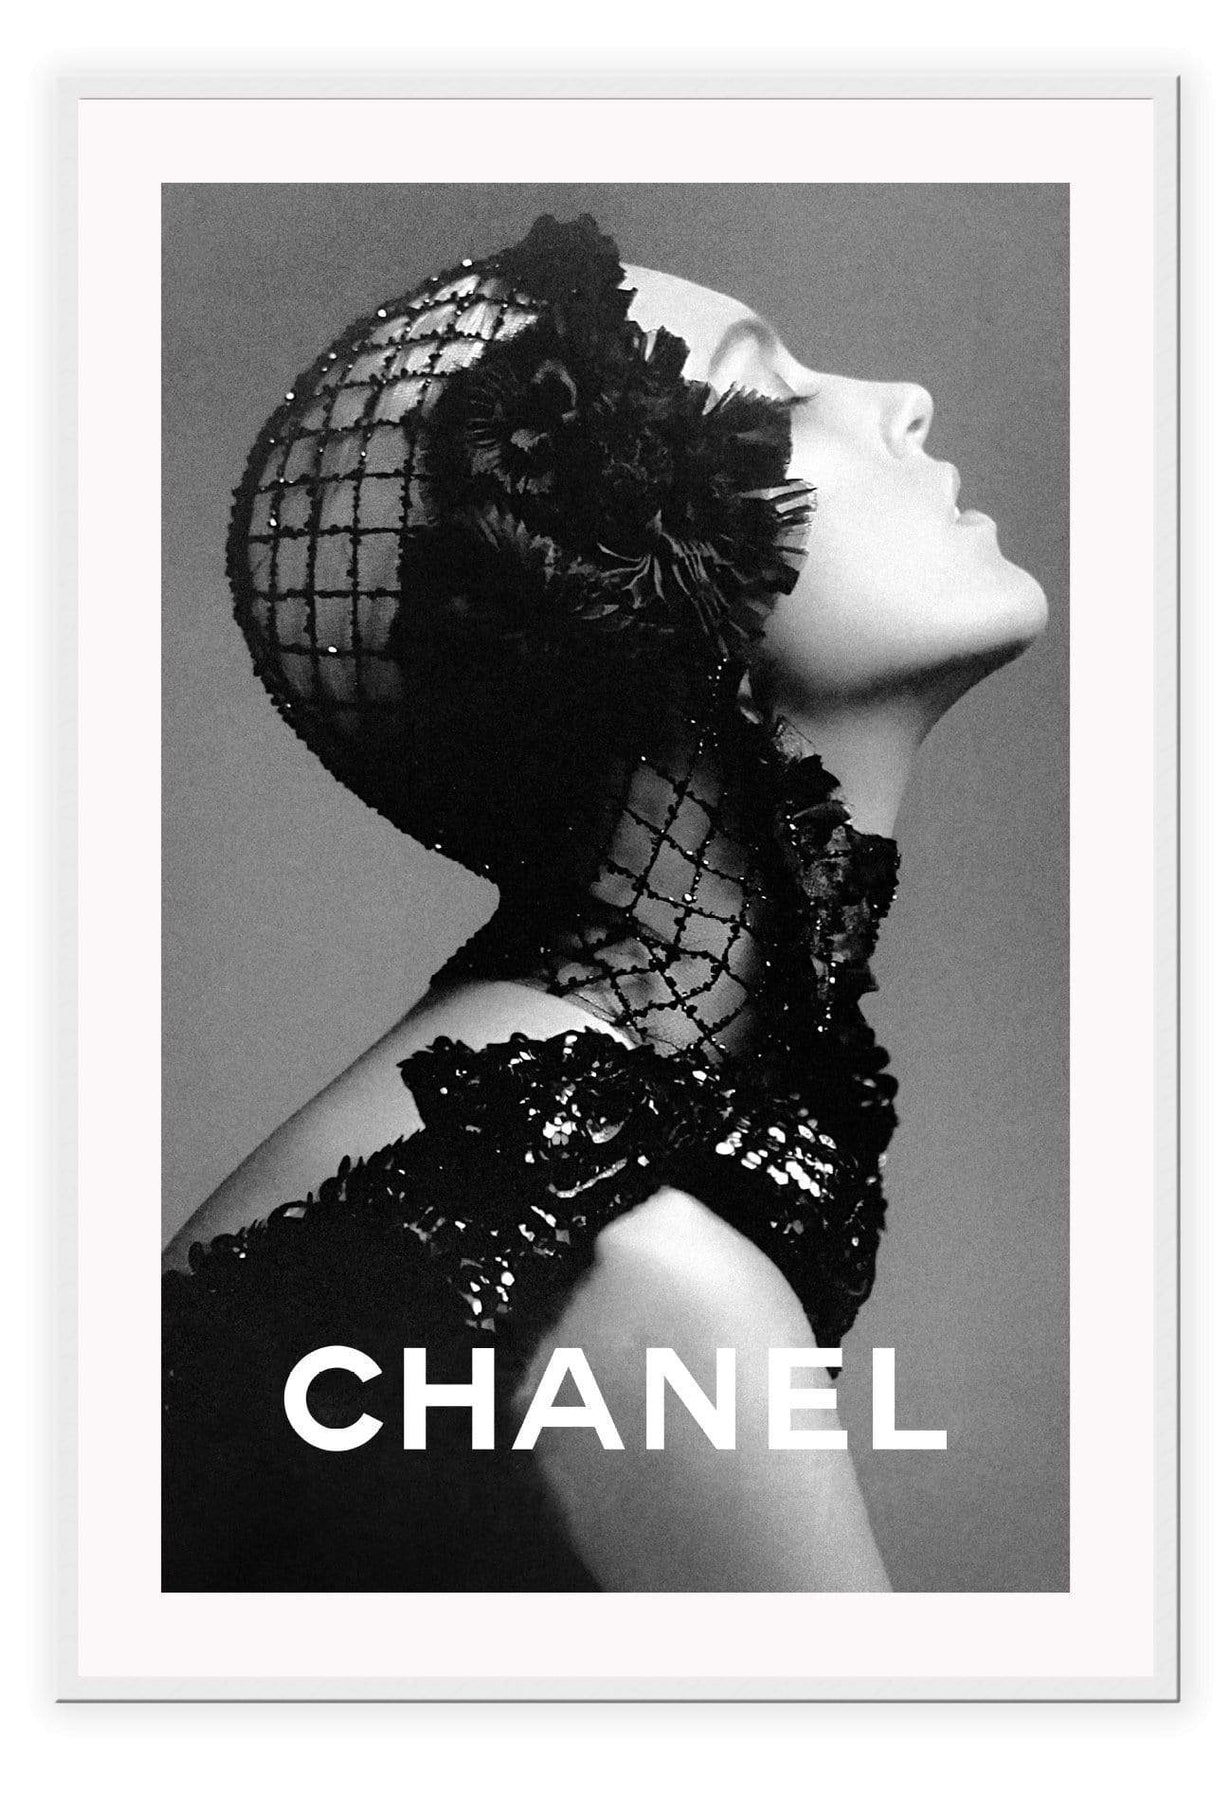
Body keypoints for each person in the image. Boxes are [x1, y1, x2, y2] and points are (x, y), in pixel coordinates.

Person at [162, 214, 1046, 1593]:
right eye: (773, 398)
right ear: (633, 581)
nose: (903, 400)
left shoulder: (578, 1108)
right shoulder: (636, 1266)